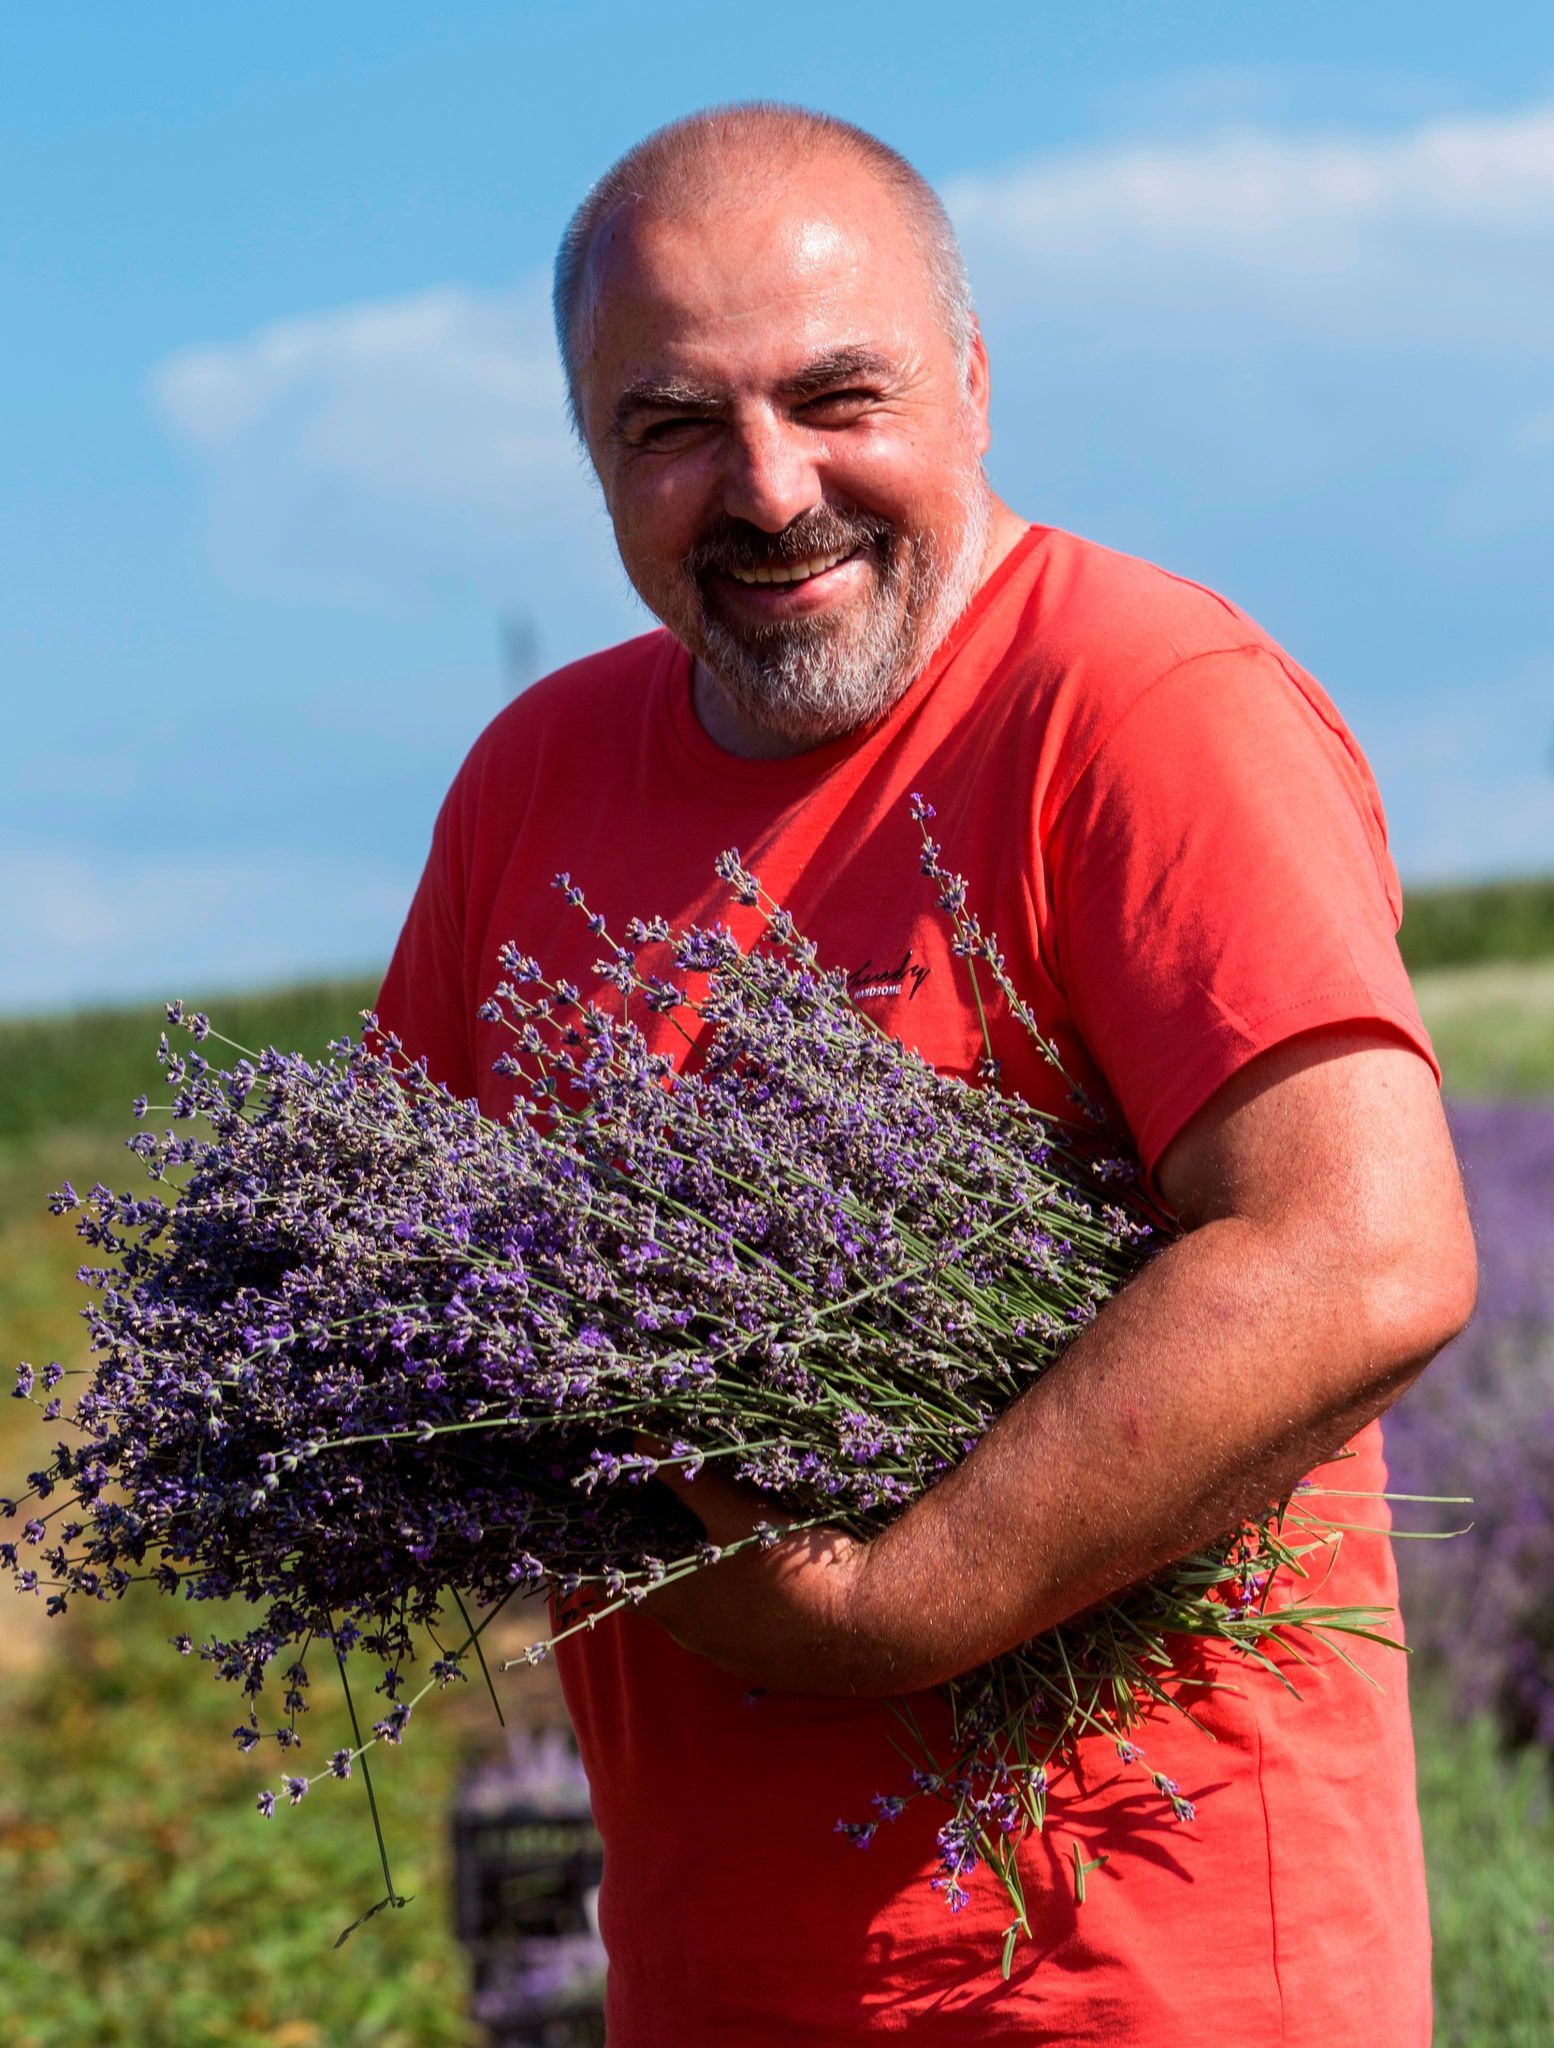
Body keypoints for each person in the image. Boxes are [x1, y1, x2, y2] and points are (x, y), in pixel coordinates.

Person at [375, 103, 1477, 2046]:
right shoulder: (533, 778)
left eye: (837, 396)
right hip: (722, 1974)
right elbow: (399, 1271)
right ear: (592, 462)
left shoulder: (1138, 706)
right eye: (673, 427)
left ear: (970, 385)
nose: (773, 488)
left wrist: (895, 1599)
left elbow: (1358, 1253)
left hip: (1138, 1977)